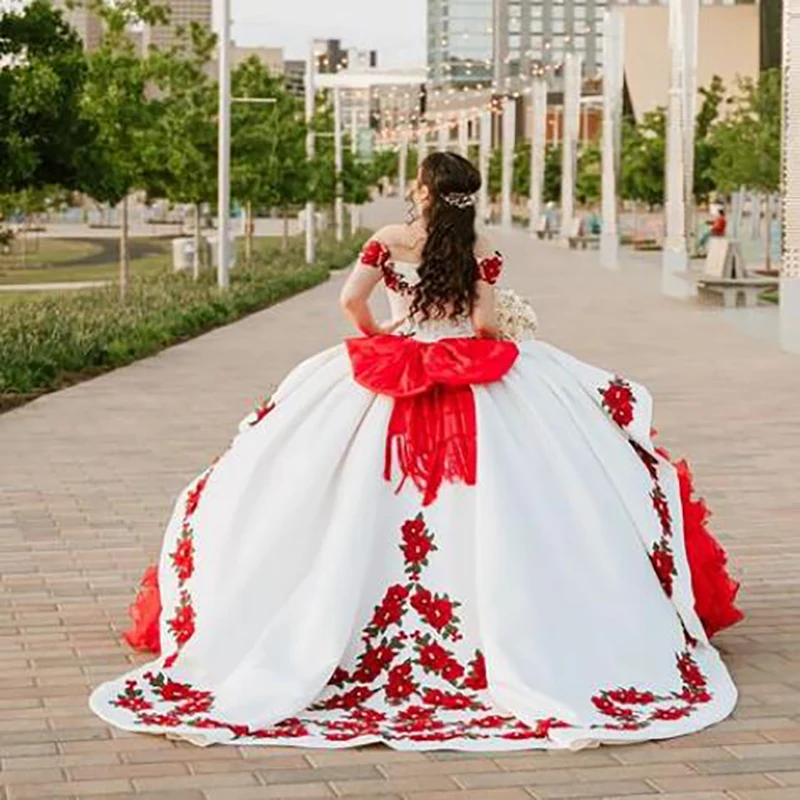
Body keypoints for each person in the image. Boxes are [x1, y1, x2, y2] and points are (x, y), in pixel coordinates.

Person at [89, 153, 742, 751]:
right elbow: (485, 325)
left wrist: (388, 333)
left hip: (397, 362)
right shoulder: (479, 247)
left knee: (329, 487)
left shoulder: (390, 241)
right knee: (537, 489)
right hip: (472, 367)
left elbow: (352, 302)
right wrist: (494, 328)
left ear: (425, 190)